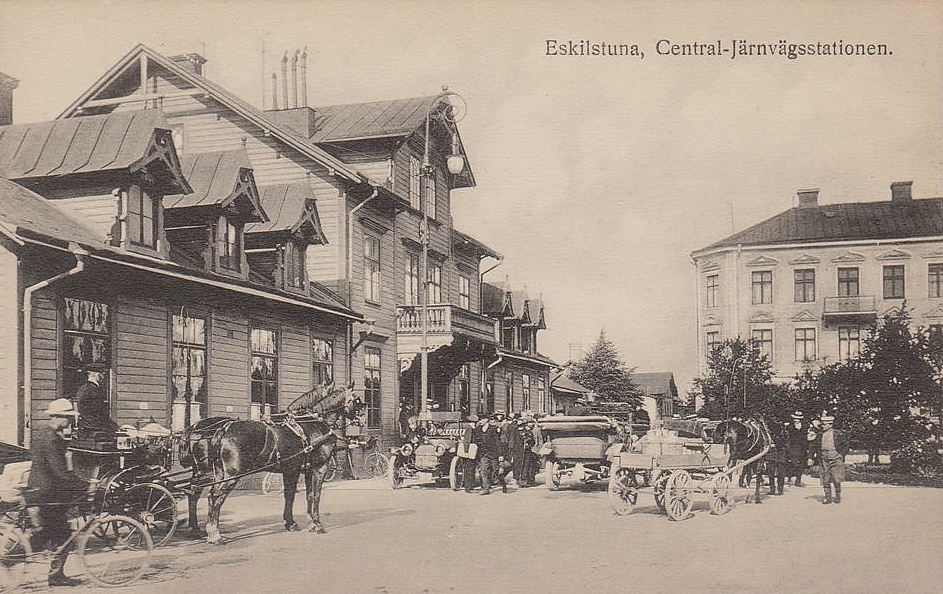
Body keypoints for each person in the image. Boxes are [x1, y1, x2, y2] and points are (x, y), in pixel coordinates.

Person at [25, 399, 91, 586]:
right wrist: (84, 486)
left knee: (52, 533)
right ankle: (55, 576)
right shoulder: (52, 439)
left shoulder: (44, 434)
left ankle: (53, 572)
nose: (70, 421)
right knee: (61, 535)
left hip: (40, 491)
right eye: (68, 418)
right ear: (60, 417)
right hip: (47, 493)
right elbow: (60, 473)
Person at [808, 413, 848, 504]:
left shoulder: (837, 433)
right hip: (823, 459)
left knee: (836, 479)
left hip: (836, 458)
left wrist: (841, 455)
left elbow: (845, 445)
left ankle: (837, 496)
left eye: (825, 424)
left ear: (830, 424)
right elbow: (813, 446)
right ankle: (828, 497)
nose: (823, 426)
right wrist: (810, 457)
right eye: (822, 424)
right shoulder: (819, 434)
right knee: (825, 478)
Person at [475, 416, 505, 495]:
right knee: (483, 470)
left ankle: (503, 483)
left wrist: (500, 454)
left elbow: (497, 442)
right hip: (483, 454)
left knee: (497, 471)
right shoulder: (478, 429)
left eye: (481, 419)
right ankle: (486, 488)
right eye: (479, 419)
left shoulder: (493, 429)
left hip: (493, 453)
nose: (480, 421)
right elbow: (475, 440)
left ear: (486, 420)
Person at [785, 411, 808, 487]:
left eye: (798, 418)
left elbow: (806, 437)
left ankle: (798, 480)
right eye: (795, 418)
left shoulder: (805, 426)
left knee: (801, 464)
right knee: (792, 463)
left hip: (802, 447)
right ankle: (789, 476)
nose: (796, 420)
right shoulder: (789, 426)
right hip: (792, 447)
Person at [458, 415, 479, 493]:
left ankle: (470, 486)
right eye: (474, 423)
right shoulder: (469, 429)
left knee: (471, 469)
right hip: (470, 452)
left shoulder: (470, 429)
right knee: (469, 470)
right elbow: (467, 441)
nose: (475, 424)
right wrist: (466, 451)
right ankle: (468, 487)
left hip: (471, 451)